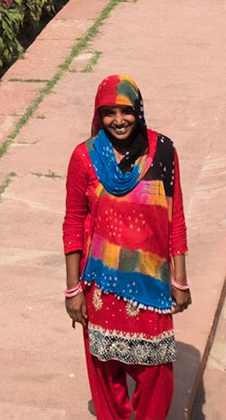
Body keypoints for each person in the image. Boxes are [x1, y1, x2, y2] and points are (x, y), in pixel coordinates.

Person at [63, 75, 190, 420]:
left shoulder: (162, 151)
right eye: (108, 112)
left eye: (126, 111)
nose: (118, 120)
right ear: (98, 115)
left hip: (151, 286)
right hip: (101, 288)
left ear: (138, 110)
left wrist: (180, 280)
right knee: (106, 375)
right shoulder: (85, 157)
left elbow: (175, 217)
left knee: (156, 376)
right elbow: (74, 223)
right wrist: (73, 289)